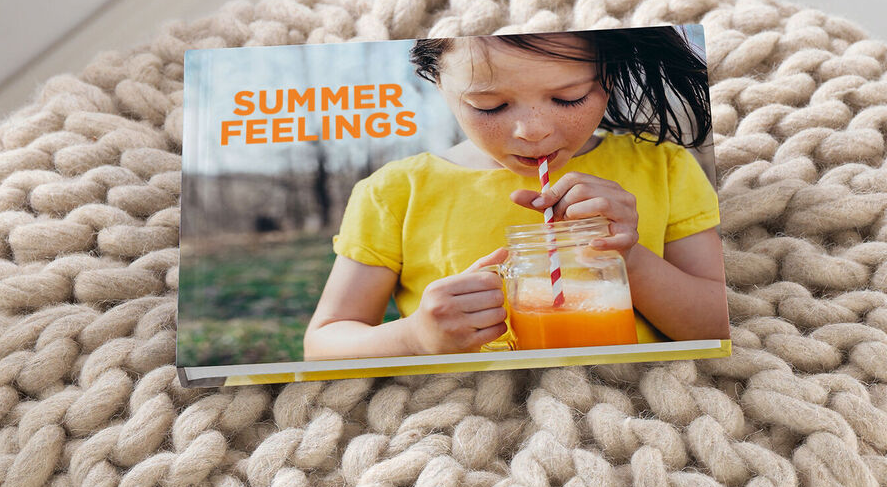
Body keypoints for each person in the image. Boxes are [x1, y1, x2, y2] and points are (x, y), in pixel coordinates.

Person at [302, 27, 729, 360]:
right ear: (439, 85)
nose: (533, 130)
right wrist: (412, 337)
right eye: (489, 106)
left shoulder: (663, 168)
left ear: (610, 76)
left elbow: (722, 325)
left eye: (569, 97)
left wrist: (628, 257)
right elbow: (322, 345)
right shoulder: (393, 193)